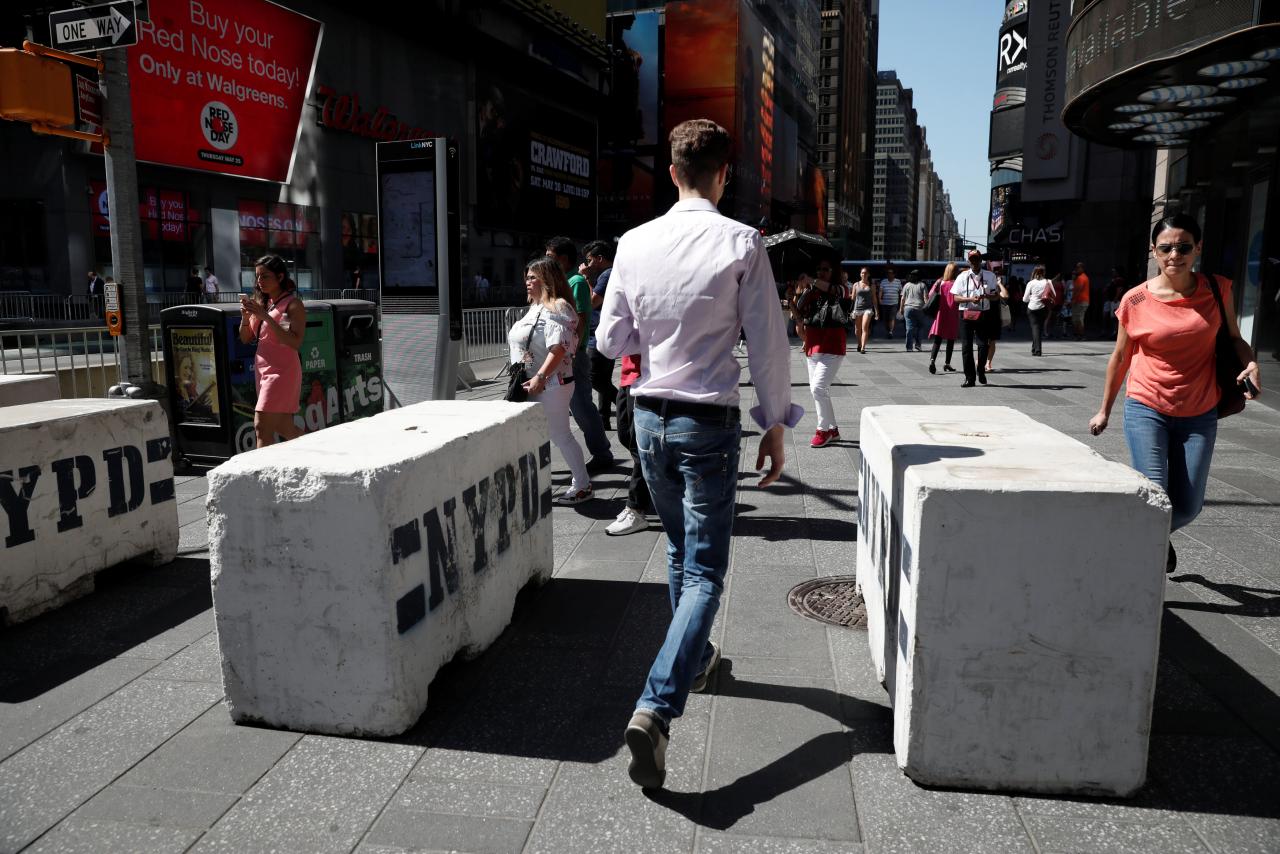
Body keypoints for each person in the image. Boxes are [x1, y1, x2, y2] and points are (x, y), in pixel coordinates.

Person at [597, 118, 801, 790]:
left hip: (647, 417)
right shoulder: (742, 241)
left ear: (673, 171)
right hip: (707, 419)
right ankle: (657, 706)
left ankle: (700, 658)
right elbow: (768, 343)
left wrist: (652, 332)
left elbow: (609, 339)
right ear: (724, 173)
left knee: (683, 551)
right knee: (708, 571)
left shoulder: (633, 242)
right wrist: (776, 422)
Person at [1089, 214, 1261, 573]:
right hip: (1146, 407)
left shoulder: (1218, 289)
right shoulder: (1135, 300)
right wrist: (1104, 409)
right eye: (1166, 248)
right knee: (1155, 501)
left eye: (1183, 247)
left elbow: (1233, 338)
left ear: (1197, 248)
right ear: (1154, 251)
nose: (1175, 255)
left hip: (1199, 411)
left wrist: (1251, 363)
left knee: (1188, 506)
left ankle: (1143, 537)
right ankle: (1139, 566)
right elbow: (1121, 357)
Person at [508, 257, 592, 504]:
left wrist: (540, 376)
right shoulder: (536, 308)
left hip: (551, 384)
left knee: (560, 435)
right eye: (527, 276)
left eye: (533, 276)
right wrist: (523, 372)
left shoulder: (559, 307)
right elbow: (529, 346)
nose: (527, 281)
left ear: (548, 279)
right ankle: (532, 482)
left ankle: (583, 486)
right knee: (532, 435)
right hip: (530, 382)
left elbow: (559, 349)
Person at [546, 236, 614, 472]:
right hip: (561, 354)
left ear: (563, 259)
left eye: (551, 257)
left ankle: (602, 453)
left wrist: (572, 352)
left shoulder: (574, 281)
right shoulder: (561, 281)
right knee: (576, 406)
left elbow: (582, 318)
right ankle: (601, 450)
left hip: (572, 356)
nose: (547, 261)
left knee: (581, 406)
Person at [239, 255, 305, 448]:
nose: (260, 281)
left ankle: (261, 475)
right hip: (263, 370)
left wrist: (265, 317)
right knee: (284, 427)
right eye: (257, 277)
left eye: (265, 276)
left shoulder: (293, 304)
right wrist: (245, 317)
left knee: (261, 426)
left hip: (282, 372)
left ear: (280, 276)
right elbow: (245, 338)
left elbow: (295, 342)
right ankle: (315, 452)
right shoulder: (262, 304)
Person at [794, 259, 850, 447]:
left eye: (825, 269)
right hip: (812, 345)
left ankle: (822, 430)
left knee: (818, 388)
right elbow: (799, 315)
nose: (821, 272)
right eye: (818, 269)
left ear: (833, 271)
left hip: (832, 346)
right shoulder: (811, 290)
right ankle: (832, 429)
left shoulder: (841, 288)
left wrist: (811, 280)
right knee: (819, 391)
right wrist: (794, 294)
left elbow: (837, 292)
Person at [606, 351, 652, 536]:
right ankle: (663, 484)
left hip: (646, 378)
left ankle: (636, 509)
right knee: (625, 435)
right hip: (628, 375)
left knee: (640, 447)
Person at [583, 239, 618, 431]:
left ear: (600, 258)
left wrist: (586, 279)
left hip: (598, 335)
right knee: (604, 378)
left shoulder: (607, 275)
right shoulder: (614, 273)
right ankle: (604, 418)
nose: (587, 264)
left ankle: (623, 403)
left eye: (589, 260)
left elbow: (592, 303)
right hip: (608, 334)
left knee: (594, 378)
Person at [951, 249, 999, 388]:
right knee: (966, 347)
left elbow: (996, 296)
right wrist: (970, 298)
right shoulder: (962, 276)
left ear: (980, 261)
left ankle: (981, 370)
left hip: (983, 313)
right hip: (966, 313)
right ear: (968, 261)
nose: (974, 262)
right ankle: (969, 378)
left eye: (977, 259)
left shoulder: (990, 276)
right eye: (972, 260)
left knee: (983, 345)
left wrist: (986, 296)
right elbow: (955, 298)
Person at [927, 263, 959, 374]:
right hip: (952, 313)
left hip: (941, 313)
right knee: (951, 339)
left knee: (938, 339)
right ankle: (947, 363)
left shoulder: (940, 282)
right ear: (955, 272)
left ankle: (932, 360)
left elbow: (930, 294)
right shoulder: (956, 283)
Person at [1023, 265, 1053, 357]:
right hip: (1043, 307)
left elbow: (1025, 299)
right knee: (1038, 329)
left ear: (1034, 272)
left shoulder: (1031, 283)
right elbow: (1053, 294)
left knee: (1035, 328)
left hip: (1032, 308)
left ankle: (1038, 350)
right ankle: (1034, 348)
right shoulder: (1048, 282)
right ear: (1044, 272)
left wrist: (1032, 297)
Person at [984, 273, 1010, 372]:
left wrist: (999, 284)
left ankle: (988, 362)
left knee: (992, 341)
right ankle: (981, 359)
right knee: (982, 341)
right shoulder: (984, 287)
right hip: (983, 317)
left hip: (995, 318)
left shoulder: (997, 290)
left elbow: (1006, 296)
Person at [899, 269, 929, 352]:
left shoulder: (907, 285)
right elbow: (926, 298)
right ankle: (918, 345)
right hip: (919, 309)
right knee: (920, 327)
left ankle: (909, 347)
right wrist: (927, 307)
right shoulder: (922, 285)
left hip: (908, 308)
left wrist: (901, 309)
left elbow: (902, 298)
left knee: (909, 328)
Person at [850, 267, 878, 354]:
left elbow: (874, 298)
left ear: (868, 274)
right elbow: (853, 298)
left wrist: (877, 311)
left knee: (864, 328)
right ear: (860, 274)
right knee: (857, 330)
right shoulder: (855, 285)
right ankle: (859, 344)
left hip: (868, 309)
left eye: (865, 273)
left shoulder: (871, 285)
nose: (864, 274)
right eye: (862, 273)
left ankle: (863, 347)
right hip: (857, 309)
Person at [878, 266, 901, 339]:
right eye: (888, 273)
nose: (889, 274)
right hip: (884, 303)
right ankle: (888, 330)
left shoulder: (898, 281)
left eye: (891, 273)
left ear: (894, 274)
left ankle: (890, 331)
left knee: (892, 318)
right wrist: (880, 300)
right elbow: (880, 291)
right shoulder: (883, 281)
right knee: (885, 319)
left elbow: (901, 292)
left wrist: (901, 302)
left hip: (894, 303)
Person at [1104, 266, 1127, 337]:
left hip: (1116, 301)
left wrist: (1116, 298)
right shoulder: (1114, 279)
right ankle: (1113, 331)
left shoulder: (1119, 280)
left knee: (1115, 317)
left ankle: (1116, 332)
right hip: (1112, 300)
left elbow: (1119, 289)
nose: (1113, 273)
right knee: (1112, 317)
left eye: (1114, 271)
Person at [1071, 261, 1090, 340]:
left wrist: (1073, 300)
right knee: (1077, 318)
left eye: (1078, 268)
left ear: (1082, 268)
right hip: (1080, 301)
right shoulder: (1081, 277)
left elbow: (1078, 290)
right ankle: (1078, 334)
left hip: (1081, 301)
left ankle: (1080, 335)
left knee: (1078, 318)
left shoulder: (1081, 278)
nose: (1076, 270)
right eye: (1076, 268)